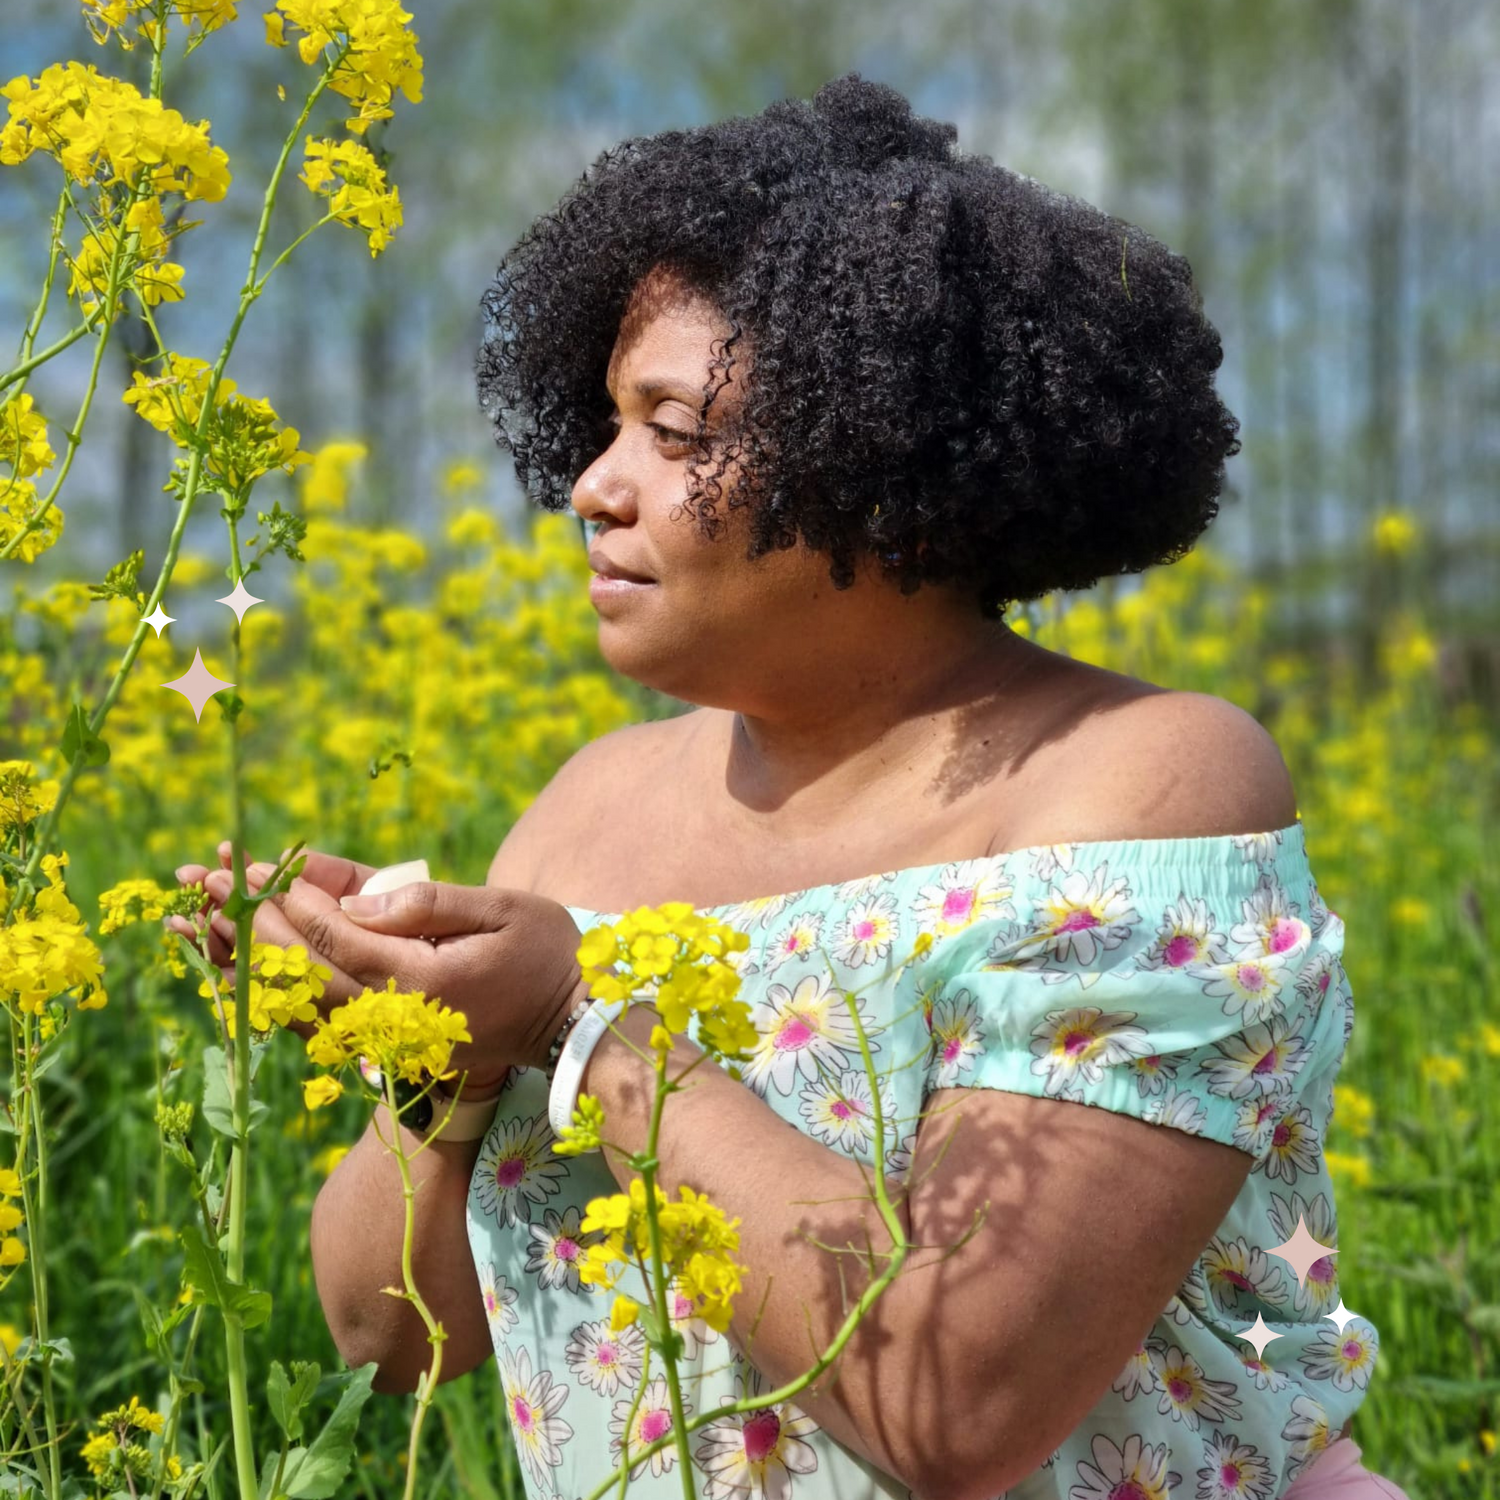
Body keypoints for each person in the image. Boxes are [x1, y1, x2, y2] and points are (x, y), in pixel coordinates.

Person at [170, 73, 1412, 1500]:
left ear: (882, 470)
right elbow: (388, 1342)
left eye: (676, 433)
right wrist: (428, 1042)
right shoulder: (585, 804)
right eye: (607, 424)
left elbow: (955, 1405)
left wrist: (579, 1023)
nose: (593, 486)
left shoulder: (1140, 784)